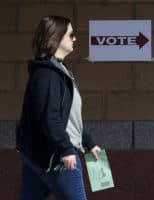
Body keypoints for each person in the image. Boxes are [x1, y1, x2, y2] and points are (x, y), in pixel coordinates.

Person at [16, 15, 101, 200]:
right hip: (57, 158)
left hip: (40, 156)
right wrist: (66, 149)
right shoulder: (47, 75)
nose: (75, 39)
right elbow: (50, 117)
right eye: (71, 35)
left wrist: (88, 142)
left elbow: (69, 116)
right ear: (55, 37)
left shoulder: (58, 71)